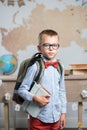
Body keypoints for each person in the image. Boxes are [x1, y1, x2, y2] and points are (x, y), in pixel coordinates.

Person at [18, 29, 67, 130]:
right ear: (39, 48)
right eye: (46, 45)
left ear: (58, 47)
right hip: (38, 117)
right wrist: (35, 98)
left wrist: (63, 113)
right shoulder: (35, 67)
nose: (51, 49)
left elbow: (62, 91)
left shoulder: (60, 66)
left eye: (54, 45)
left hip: (55, 117)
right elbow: (21, 90)